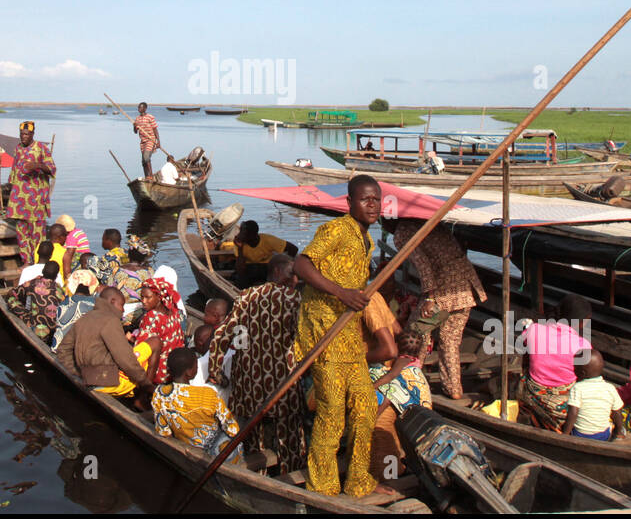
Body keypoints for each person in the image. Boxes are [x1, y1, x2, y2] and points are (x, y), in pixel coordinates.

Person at [293, 174, 387, 498]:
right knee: (332, 413)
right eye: (365, 199)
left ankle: (358, 481)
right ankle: (324, 487)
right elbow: (301, 265)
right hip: (323, 333)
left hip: (348, 336)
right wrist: (341, 293)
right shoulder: (335, 230)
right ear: (350, 203)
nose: (372, 205)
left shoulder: (368, 239)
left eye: (376, 199)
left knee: (364, 409)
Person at [207, 252, 306, 474]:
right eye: (293, 275)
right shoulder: (295, 300)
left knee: (253, 440)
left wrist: (216, 371)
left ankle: (257, 475)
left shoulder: (247, 296)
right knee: (289, 439)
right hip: (283, 386)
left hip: (249, 387)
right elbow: (305, 341)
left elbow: (223, 336)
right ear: (278, 272)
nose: (296, 281)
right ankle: (291, 475)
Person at [393, 219, 487, 400]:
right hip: (465, 287)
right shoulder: (431, 220)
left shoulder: (402, 232)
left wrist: (429, 298)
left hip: (443, 290)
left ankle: (412, 380)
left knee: (414, 334)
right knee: (450, 341)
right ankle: (454, 389)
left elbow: (424, 267)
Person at [55, 286, 157, 400]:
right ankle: (142, 399)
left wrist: (78, 372)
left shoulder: (85, 318)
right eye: (122, 305)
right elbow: (125, 358)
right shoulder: (111, 321)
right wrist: (145, 383)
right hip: (106, 382)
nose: (123, 310)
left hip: (86, 377)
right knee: (154, 343)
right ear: (112, 302)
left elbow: (63, 350)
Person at [517, 294, 593, 432]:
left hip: (531, 395)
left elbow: (525, 352)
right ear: (581, 322)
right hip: (563, 404)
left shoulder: (534, 329)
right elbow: (584, 377)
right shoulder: (583, 345)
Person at [152, 347, 241, 462]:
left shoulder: (159, 394)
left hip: (184, 448)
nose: (198, 366)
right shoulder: (208, 395)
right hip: (211, 455)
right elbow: (232, 429)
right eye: (196, 365)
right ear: (189, 373)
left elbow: (163, 432)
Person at [7, 121, 57, 263]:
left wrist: (37, 165)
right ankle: (26, 262)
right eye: (22, 134)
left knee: (37, 233)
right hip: (20, 200)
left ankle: (38, 262)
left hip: (36, 199)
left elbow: (52, 169)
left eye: (27, 134)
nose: (24, 137)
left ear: (33, 134)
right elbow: (14, 173)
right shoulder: (18, 149)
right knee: (22, 232)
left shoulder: (41, 148)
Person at [131, 274, 186, 384]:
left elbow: (142, 349)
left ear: (159, 297)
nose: (143, 301)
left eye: (148, 297)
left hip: (158, 371)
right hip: (172, 368)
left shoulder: (152, 317)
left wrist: (131, 339)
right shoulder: (173, 312)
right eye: (142, 297)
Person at [562, 350, 626, 441]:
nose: (574, 369)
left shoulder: (577, 388)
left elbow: (573, 413)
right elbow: (617, 413)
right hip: (603, 436)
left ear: (582, 373)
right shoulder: (610, 388)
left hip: (580, 435)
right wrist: (618, 431)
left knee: (566, 426)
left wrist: (565, 435)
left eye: (575, 368)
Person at [225, 221, 298, 288]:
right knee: (239, 280)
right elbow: (240, 269)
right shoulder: (239, 243)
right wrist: (240, 248)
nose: (239, 235)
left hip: (266, 268)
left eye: (243, 233)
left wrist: (288, 267)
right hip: (248, 268)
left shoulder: (268, 240)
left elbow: (293, 249)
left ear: (252, 235)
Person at [132, 102, 161, 178]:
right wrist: (134, 126)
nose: (139, 109)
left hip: (151, 140)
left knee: (146, 157)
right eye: (138, 107)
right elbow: (135, 132)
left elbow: (155, 130)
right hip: (143, 142)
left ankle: (151, 175)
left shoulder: (150, 117)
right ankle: (146, 177)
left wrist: (158, 142)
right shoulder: (137, 119)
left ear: (145, 108)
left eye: (140, 107)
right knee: (143, 162)